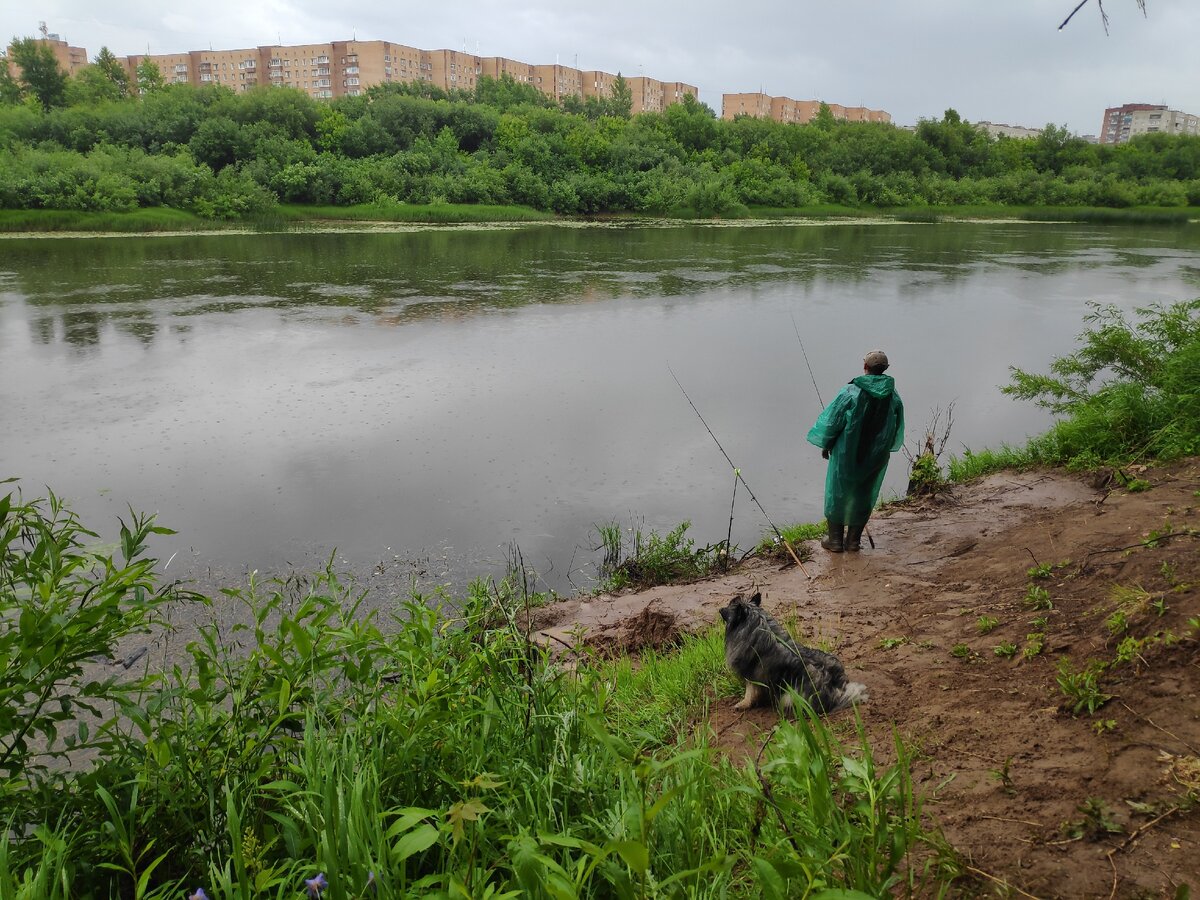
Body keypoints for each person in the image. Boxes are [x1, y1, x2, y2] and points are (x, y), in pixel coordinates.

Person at [806, 350, 905, 552]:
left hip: (845, 453)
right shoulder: (893, 395)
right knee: (864, 492)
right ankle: (852, 541)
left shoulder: (850, 391)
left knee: (837, 491)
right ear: (885, 369)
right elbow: (897, 428)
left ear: (865, 368)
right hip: (876, 456)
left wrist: (826, 443)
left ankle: (835, 540)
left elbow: (832, 421)